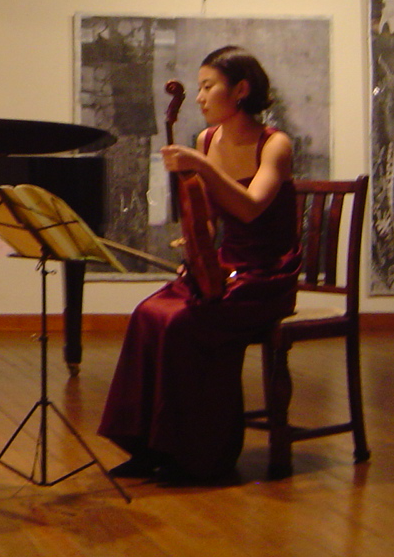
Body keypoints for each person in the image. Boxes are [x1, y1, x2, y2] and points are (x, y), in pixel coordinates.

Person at [98, 46, 301, 483]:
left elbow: (250, 208)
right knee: (148, 313)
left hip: (266, 274)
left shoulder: (275, 144)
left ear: (241, 89)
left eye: (209, 87)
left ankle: (200, 456)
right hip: (224, 266)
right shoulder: (207, 141)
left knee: (185, 324)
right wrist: (195, 248)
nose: (200, 97)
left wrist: (201, 168)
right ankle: (148, 446)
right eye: (200, 87)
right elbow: (208, 218)